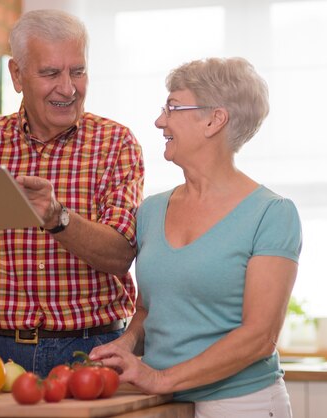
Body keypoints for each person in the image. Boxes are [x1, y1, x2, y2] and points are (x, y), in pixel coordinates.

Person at [0, 9, 144, 378]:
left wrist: (58, 219)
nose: (68, 88)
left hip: (91, 350)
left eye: (78, 71)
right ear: (17, 75)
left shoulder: (115, 143)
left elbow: (120, 255)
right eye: (51, 73)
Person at [89, 57, 302, 418]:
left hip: (241, 403)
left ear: (214, 119)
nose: (159, 121)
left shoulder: (272, 213)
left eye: (172, 107)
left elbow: (259, 337)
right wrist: (126, 344)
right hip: (163, 403)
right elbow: (149, 309)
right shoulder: (151, 210)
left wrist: (160, 378)